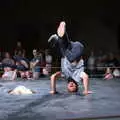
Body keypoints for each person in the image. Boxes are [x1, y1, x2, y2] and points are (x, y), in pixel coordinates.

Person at [48, 21, 92, 95]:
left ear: (67, 86)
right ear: (77, 86)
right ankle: (58, 39)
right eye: (73, 87)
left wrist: (53, 90)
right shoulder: (78, 77)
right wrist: (86, 90)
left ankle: (60, 37)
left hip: (69, 48)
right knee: (69, 57)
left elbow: (53, 76)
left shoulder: (65, 75)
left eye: (70, 87)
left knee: (64, 44)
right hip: (78, 49)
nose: (71, 85)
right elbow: (85, 77)